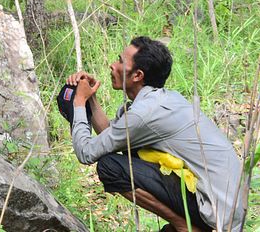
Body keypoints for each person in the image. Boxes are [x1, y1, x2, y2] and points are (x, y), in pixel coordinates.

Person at [67, 36, 247, 232]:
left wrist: (78, 103)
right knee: (130, 152)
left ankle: (184, 226)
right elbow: (111, 138)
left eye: (120, 61)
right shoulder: (158, 101)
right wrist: (90, 98)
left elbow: (85, 153)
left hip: (215, 209)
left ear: (137, 75)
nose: (112, 65)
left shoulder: (145, 113)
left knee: (110, 167)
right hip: (224, 204)